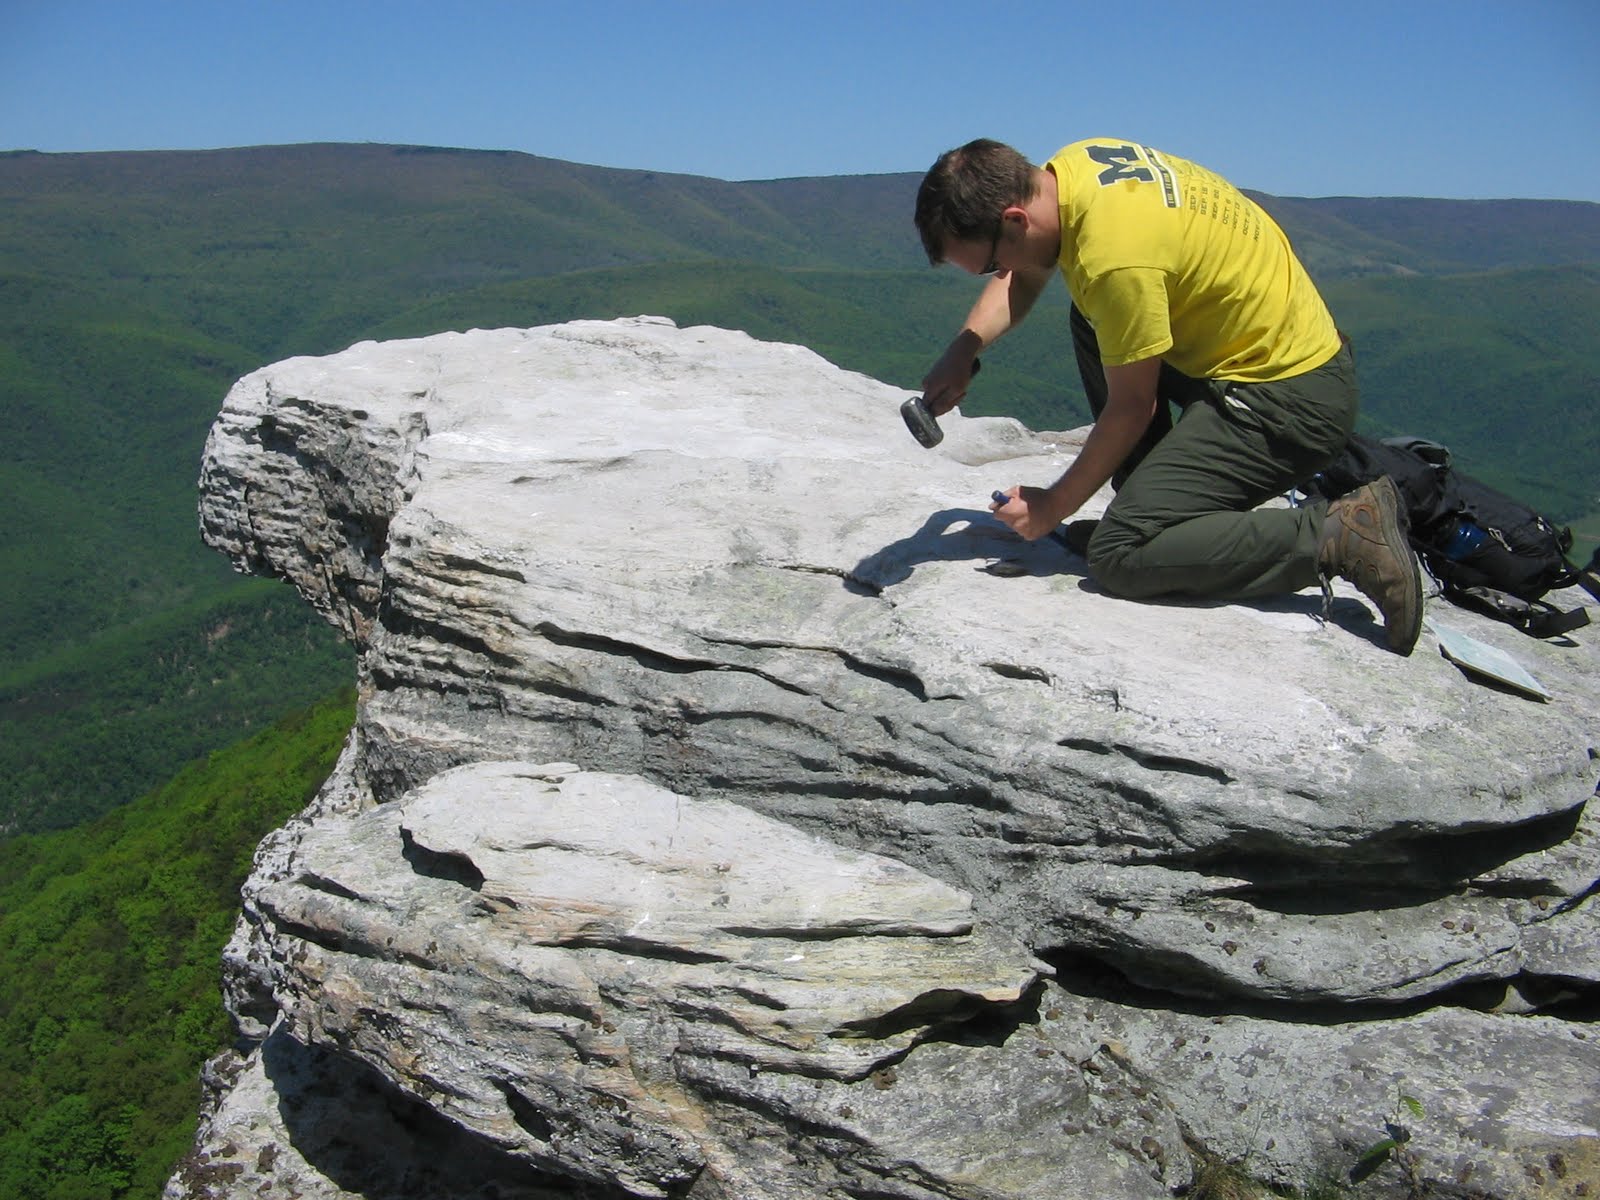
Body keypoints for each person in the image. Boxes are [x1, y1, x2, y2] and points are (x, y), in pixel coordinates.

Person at [914, 138, 1424, 655]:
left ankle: (1339, 533)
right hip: (1282, 356)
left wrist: (1052, 505)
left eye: (985, 266)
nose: (996, 275)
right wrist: (966, 347)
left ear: (1017, 219)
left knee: (1120, 556)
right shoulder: (1072, 171)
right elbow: (1025, 270)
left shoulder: (1114, 262)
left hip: (1290, 402)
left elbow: (1133, 409)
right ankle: (1151, 508)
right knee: (1095, 319)